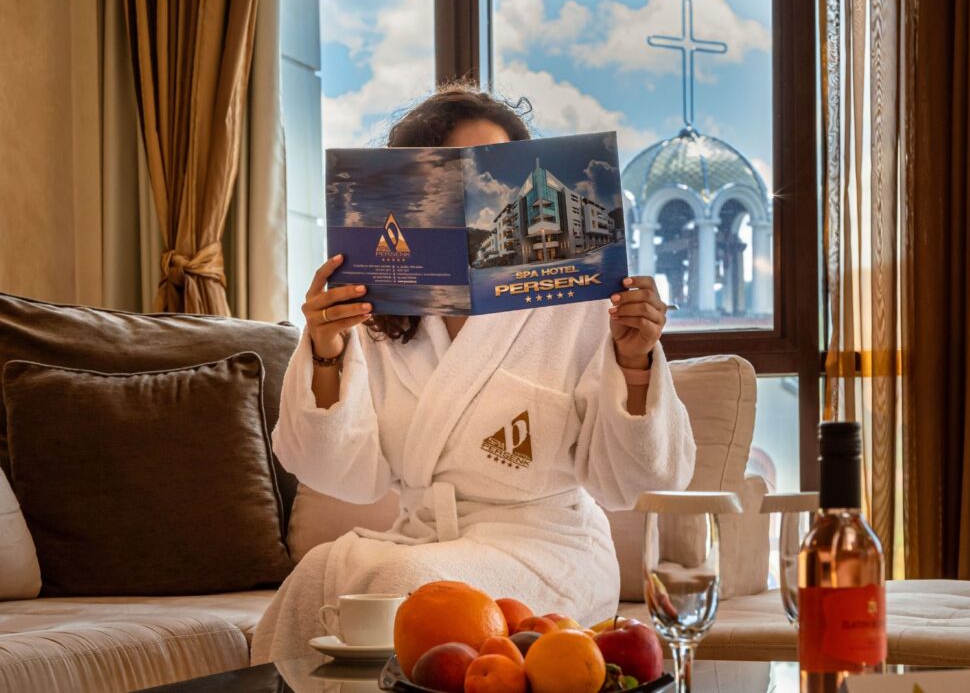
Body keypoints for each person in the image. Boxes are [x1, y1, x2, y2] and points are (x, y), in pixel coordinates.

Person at [251, 86, 696, 663]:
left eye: (493, 175)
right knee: (317, 575)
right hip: (422, 540)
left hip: (549, 551)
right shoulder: (383, 313)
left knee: (407, 588)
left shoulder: (578, 301)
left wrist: (635, 362)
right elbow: (340, 473)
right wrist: (326, 346)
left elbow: (638, 481)